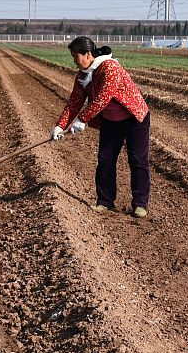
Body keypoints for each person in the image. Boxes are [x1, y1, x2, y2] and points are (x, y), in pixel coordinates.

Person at [51, 36, 151, 218]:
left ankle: (140, 205)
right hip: (110, 120)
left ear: (88, 54)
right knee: (105, 160)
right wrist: (60, 125)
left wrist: (82, 119)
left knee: (137, 160)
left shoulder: (110, 68)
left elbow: (103, 98)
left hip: (134, 117)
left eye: (76, 57)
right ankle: (105, 201)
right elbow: (74, 101)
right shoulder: (82, 75)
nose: (74, 61)